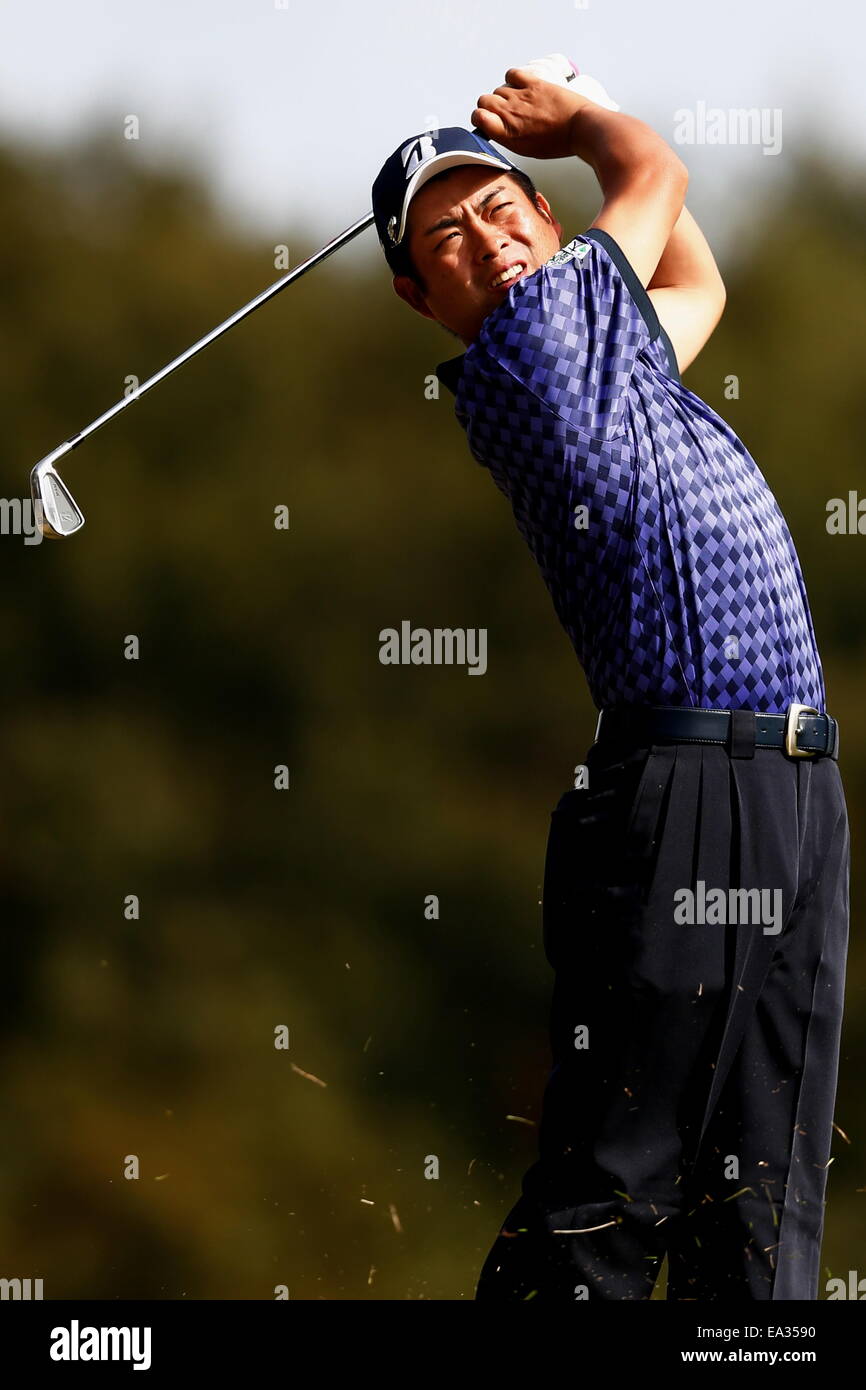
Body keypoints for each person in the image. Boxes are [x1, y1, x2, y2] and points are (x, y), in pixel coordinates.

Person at [370, 66, 849, 1301]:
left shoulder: (614, 357)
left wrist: (597, 135)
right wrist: (585, 125)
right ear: (422, 297)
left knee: (759, 1189)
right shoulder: (533, 346)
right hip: (681, 787)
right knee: (618, 1181)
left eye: (499, 205)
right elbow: (652, 181)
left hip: (787, 783)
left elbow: (696, 277)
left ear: (544, 217)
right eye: (446, 237)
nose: (487, 238)